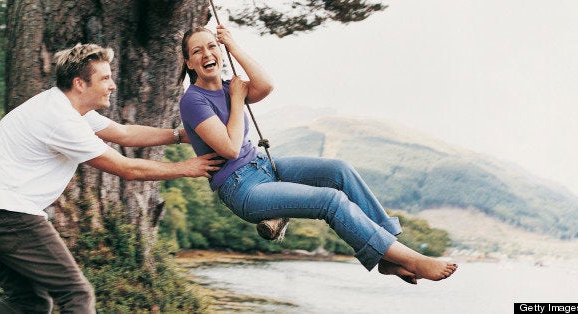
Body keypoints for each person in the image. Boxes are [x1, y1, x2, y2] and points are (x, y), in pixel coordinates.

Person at [177, 25, 458, 285]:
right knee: (329, 200)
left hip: (262, 166)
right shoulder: (193, 100)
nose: (207, 54)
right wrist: (237, 99)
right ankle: (409, 259)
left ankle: (387, 256)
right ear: (189, 63)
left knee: (339, 170)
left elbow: (266, 84)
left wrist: (234, 47)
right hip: (241, 188)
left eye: (212, 46)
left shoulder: (230, 86)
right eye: (197, 51)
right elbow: (229, 148)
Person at [0, 43, 222, 313]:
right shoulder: (61, 119)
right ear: (79, 83)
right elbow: (127, 169)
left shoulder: (66, 107)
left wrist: (179, 136)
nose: (112, 86)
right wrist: (188, 167)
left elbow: (124, 134)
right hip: (5, 215)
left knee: (30, 304)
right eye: (105, 78)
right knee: (77, 294)